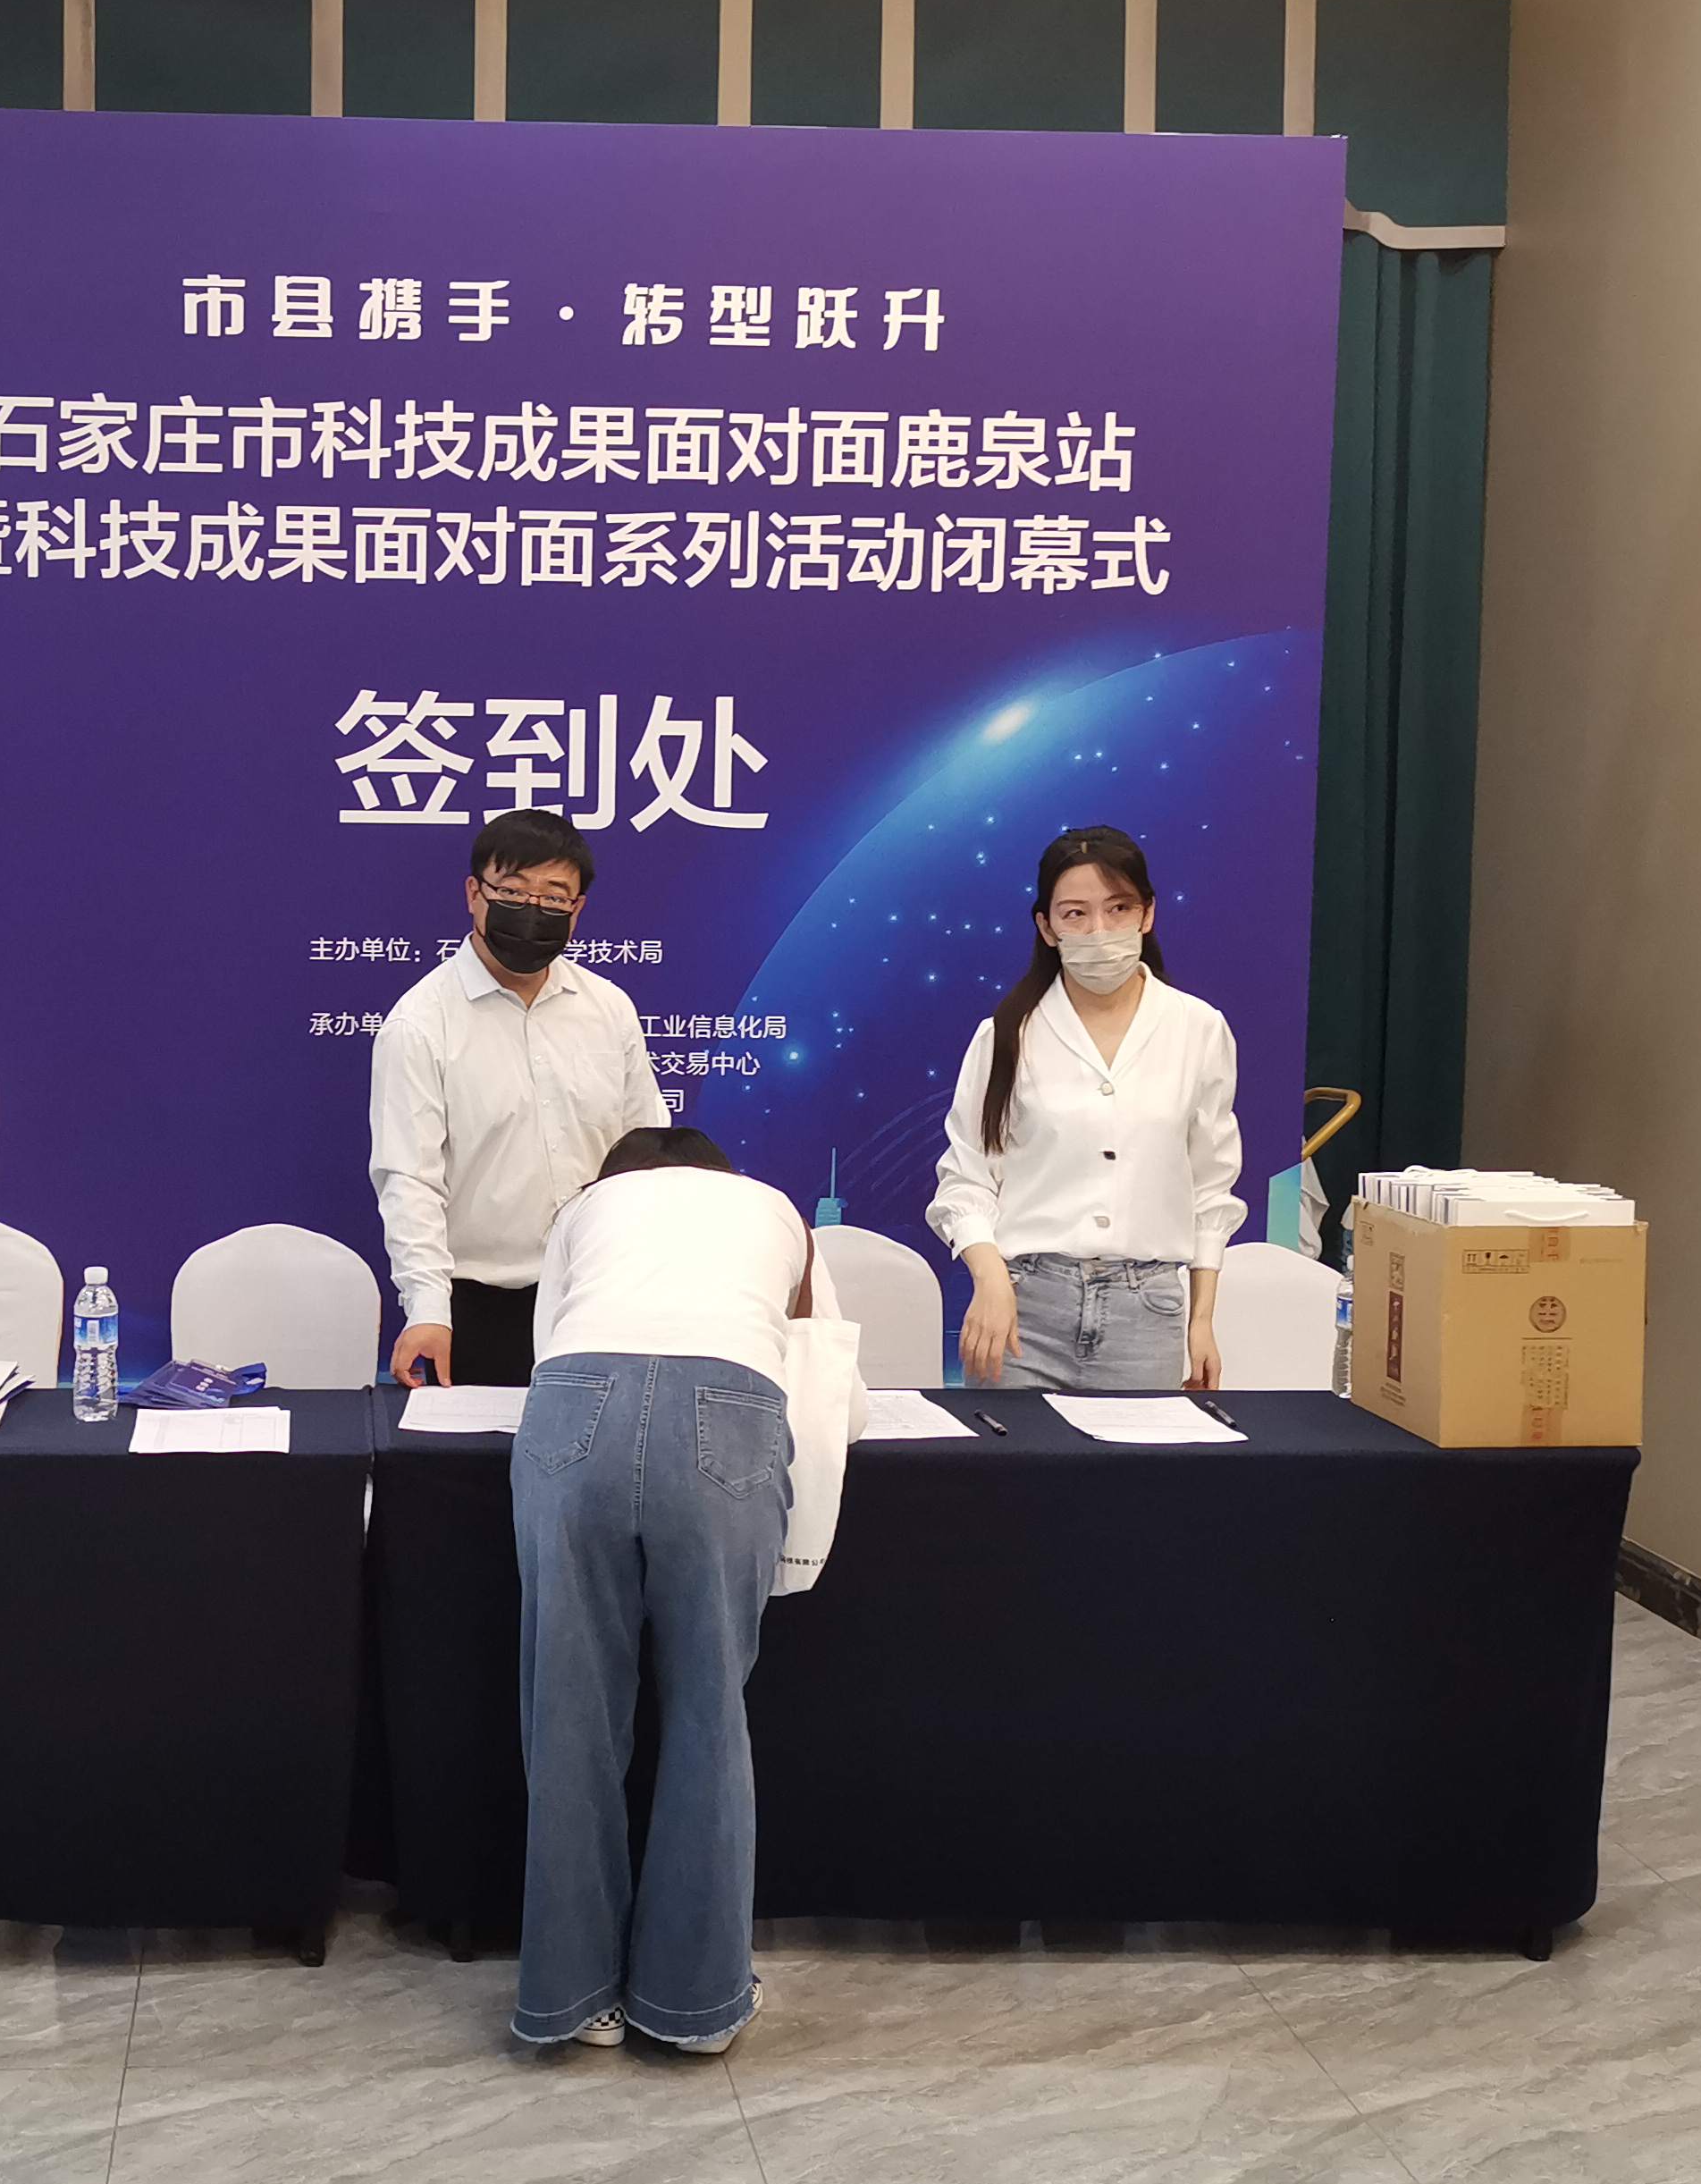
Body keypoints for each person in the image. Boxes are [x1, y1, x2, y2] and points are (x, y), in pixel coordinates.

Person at [509, 1126, 858, 2054]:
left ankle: (573, 1998)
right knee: (708, 1711)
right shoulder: (778, 1210)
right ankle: (695, 2006)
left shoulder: (582, 1209)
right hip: (729, 1407)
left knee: (570, 1714)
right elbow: (826, 1375)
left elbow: (550, 1345)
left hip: (575, 1401)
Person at [929, 823, 1243, 1393]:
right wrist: (991, 1280)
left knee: (1138, 1456)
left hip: (1146, 1313)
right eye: (1075, 914)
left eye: (1118, 908)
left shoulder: (1198, 1028)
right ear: (1046, 928)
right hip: (1021, 1313)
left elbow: (1211, 1186)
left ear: (1148, 914)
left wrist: (1202, 1321)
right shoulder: (1005, 1035)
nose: (1099, 931)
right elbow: (966, 1177)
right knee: (1009, 1454)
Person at [369, 809, 665, 1390]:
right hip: (482, 1308)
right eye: (512, 891)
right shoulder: (421, 1023)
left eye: (554, 897)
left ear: (577, 909)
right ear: (473, 894)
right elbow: (410, 1180)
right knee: (484, 1450)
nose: (532, 910)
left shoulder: (608, 1009)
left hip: (600, 1294)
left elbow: (649, 1153)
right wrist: (428, 1307)